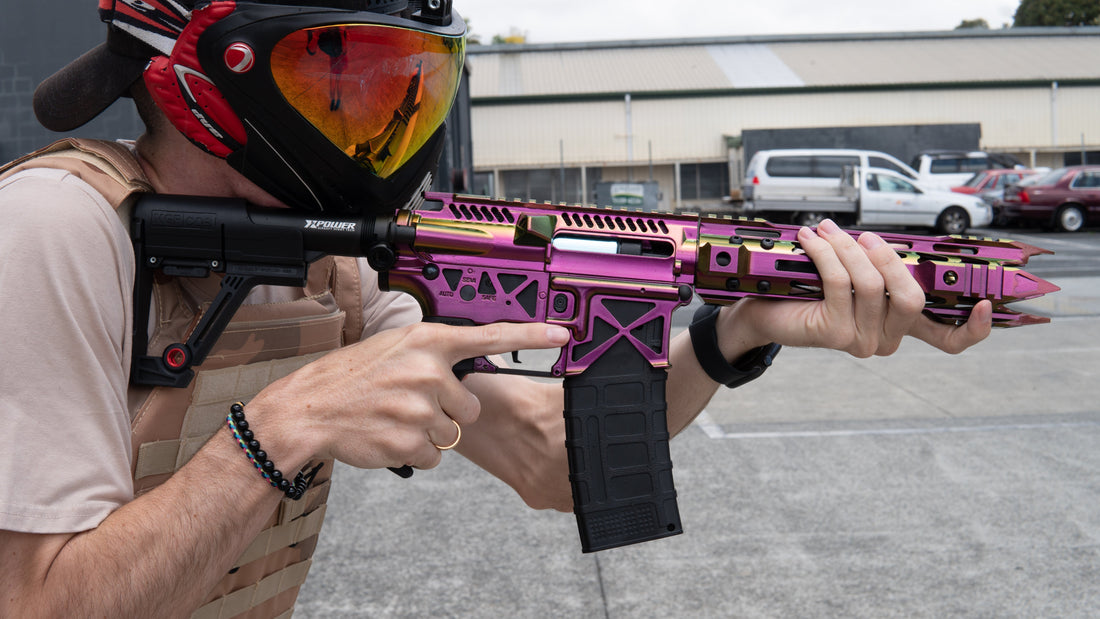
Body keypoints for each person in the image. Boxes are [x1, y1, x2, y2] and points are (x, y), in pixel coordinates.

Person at [0, 0, 993, 616]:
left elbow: (551, 459)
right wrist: (282, 427)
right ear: (221, 76)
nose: (381, 130)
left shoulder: (332, 265)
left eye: (410, 92)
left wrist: (738, 329)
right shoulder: (57, 228)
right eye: (342, 85)